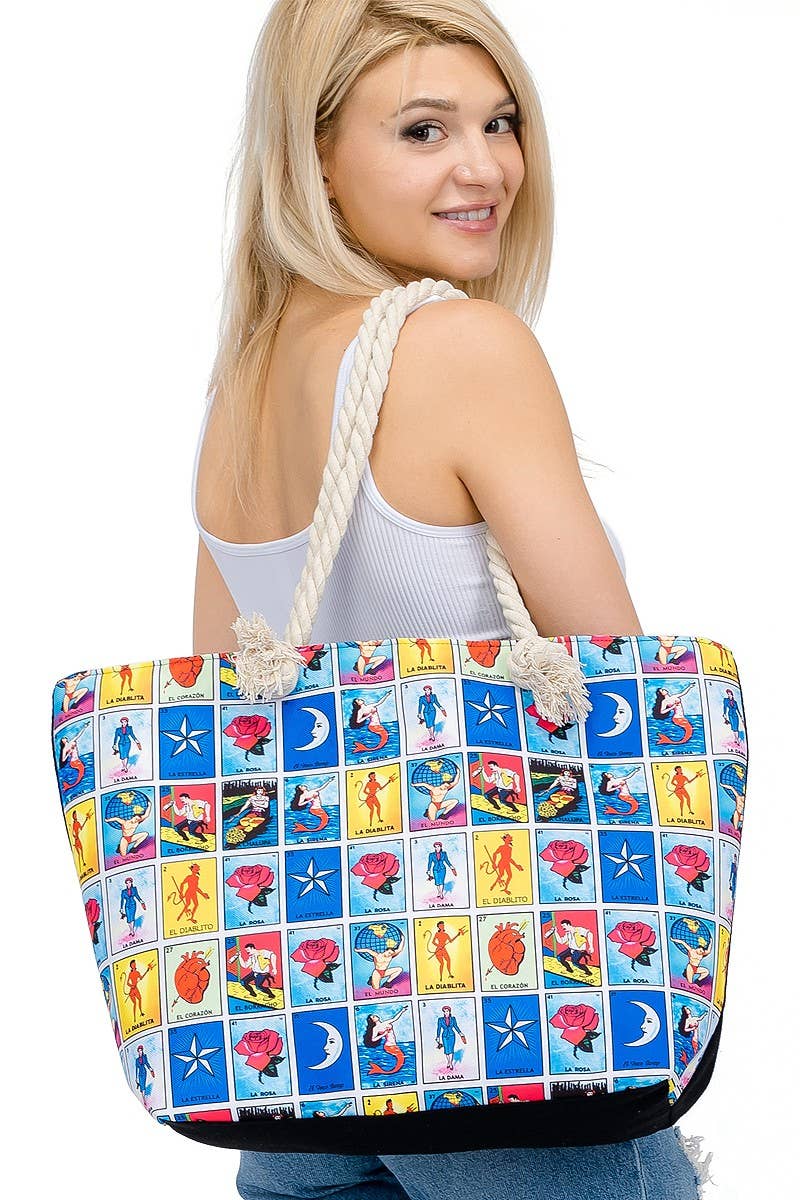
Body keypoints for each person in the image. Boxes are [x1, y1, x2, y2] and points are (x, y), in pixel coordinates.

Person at [191, 2, 713, 1196]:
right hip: (505, 1017)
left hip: (300, 1050)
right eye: (423, 130)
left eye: (500, 122)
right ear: (314, 157)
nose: (485, 168)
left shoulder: (243, 380)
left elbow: (221, 703)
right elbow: (620, 688)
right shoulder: (462, 347)